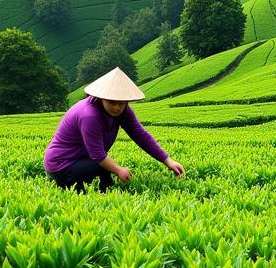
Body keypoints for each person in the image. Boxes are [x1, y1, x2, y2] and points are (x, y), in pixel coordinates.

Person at [44, 66, 184, 191]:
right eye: (112, 102)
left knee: (104, 171)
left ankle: (104, 189)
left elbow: (140, 135)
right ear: (101, 98)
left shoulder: (124, 110)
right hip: (61, 164)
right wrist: (118, 170)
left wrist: (167, 160)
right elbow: (98, 155)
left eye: (122, 103)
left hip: (82, 160)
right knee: (101, 170)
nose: (117, 107)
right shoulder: (89, 115)